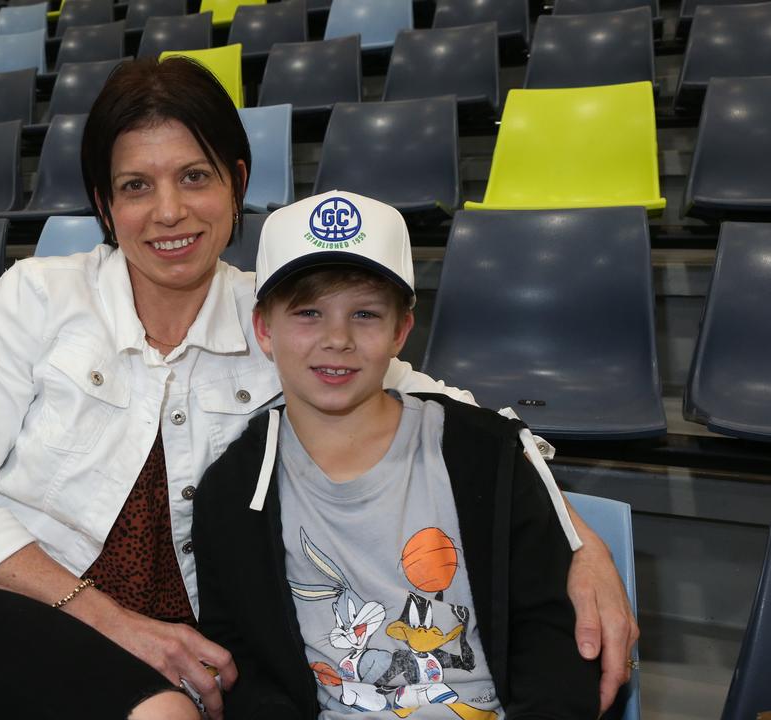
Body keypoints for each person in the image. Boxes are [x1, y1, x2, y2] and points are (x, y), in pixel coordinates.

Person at [0, 57, 634, 720]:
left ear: (236, 181)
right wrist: (107, 619)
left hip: (182, 646)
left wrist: (581, 540)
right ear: (105, 204)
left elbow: (465, 424)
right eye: (136, 185)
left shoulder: (279, 320)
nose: (168, 212)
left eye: (194, 177)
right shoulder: (35, 296)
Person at [192, 190, 600, 719]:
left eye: (365, 314)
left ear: (400, 330)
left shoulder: (486, 453)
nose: (337, 339)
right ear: (264, 329)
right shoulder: (232, 490)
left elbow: (552, 650)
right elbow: (249, 672)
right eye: (309, 312)